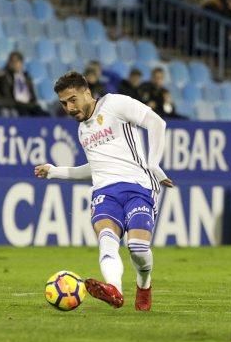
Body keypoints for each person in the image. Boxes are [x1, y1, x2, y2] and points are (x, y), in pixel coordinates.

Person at [33, 71, 173, 311]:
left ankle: (144, 283)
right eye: (64, 103)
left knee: (138, 250)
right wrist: (55, 171)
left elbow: (156, 122)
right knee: (107, 240)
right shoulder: (82, 130)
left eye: (73, 99)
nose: (69, 107)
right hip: (105, 193)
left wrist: (153, 163)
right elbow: (95, 168)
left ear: (87, 92)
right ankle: (114, 289)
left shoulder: (115, 104)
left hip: (138, 186)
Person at [0, 51, 47, 116]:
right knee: (25, 115)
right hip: (15, 105)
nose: (14, 64)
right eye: (12, 61)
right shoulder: (5, 76)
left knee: (45, 115)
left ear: (21, 63)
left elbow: (32, 95)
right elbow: (6, 95)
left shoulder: (26, 77)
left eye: (17, 61)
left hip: (29, 105)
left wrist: (33, 104)